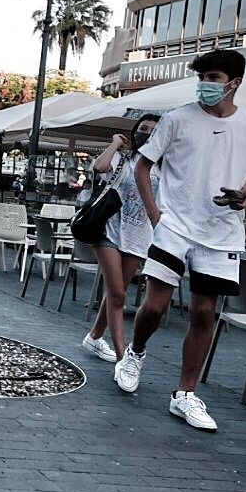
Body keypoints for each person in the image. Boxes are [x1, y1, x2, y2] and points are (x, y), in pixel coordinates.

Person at [115, 49, 246, 432]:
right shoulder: (177, 118)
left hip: (221, 232)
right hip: (174, 226)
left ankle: (185, 393)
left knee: (205, 313)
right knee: (154, 306)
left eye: (214, 77)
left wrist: (245, 195)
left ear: (235, 83)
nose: (205, 84)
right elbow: (142, 165)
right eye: (202, 77)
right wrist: (155, 213)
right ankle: (135, 353)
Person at [79, 115, 160, 363]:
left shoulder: (164, 167)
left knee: (117, 292)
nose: (146, 133)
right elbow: (99, 168)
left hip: (139, 236)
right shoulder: (124, 158)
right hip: (109, 230)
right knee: (117, 294)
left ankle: (94, 336)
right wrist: (115, 143)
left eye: (153, 131)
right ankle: (122, 355)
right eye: (143, 129)